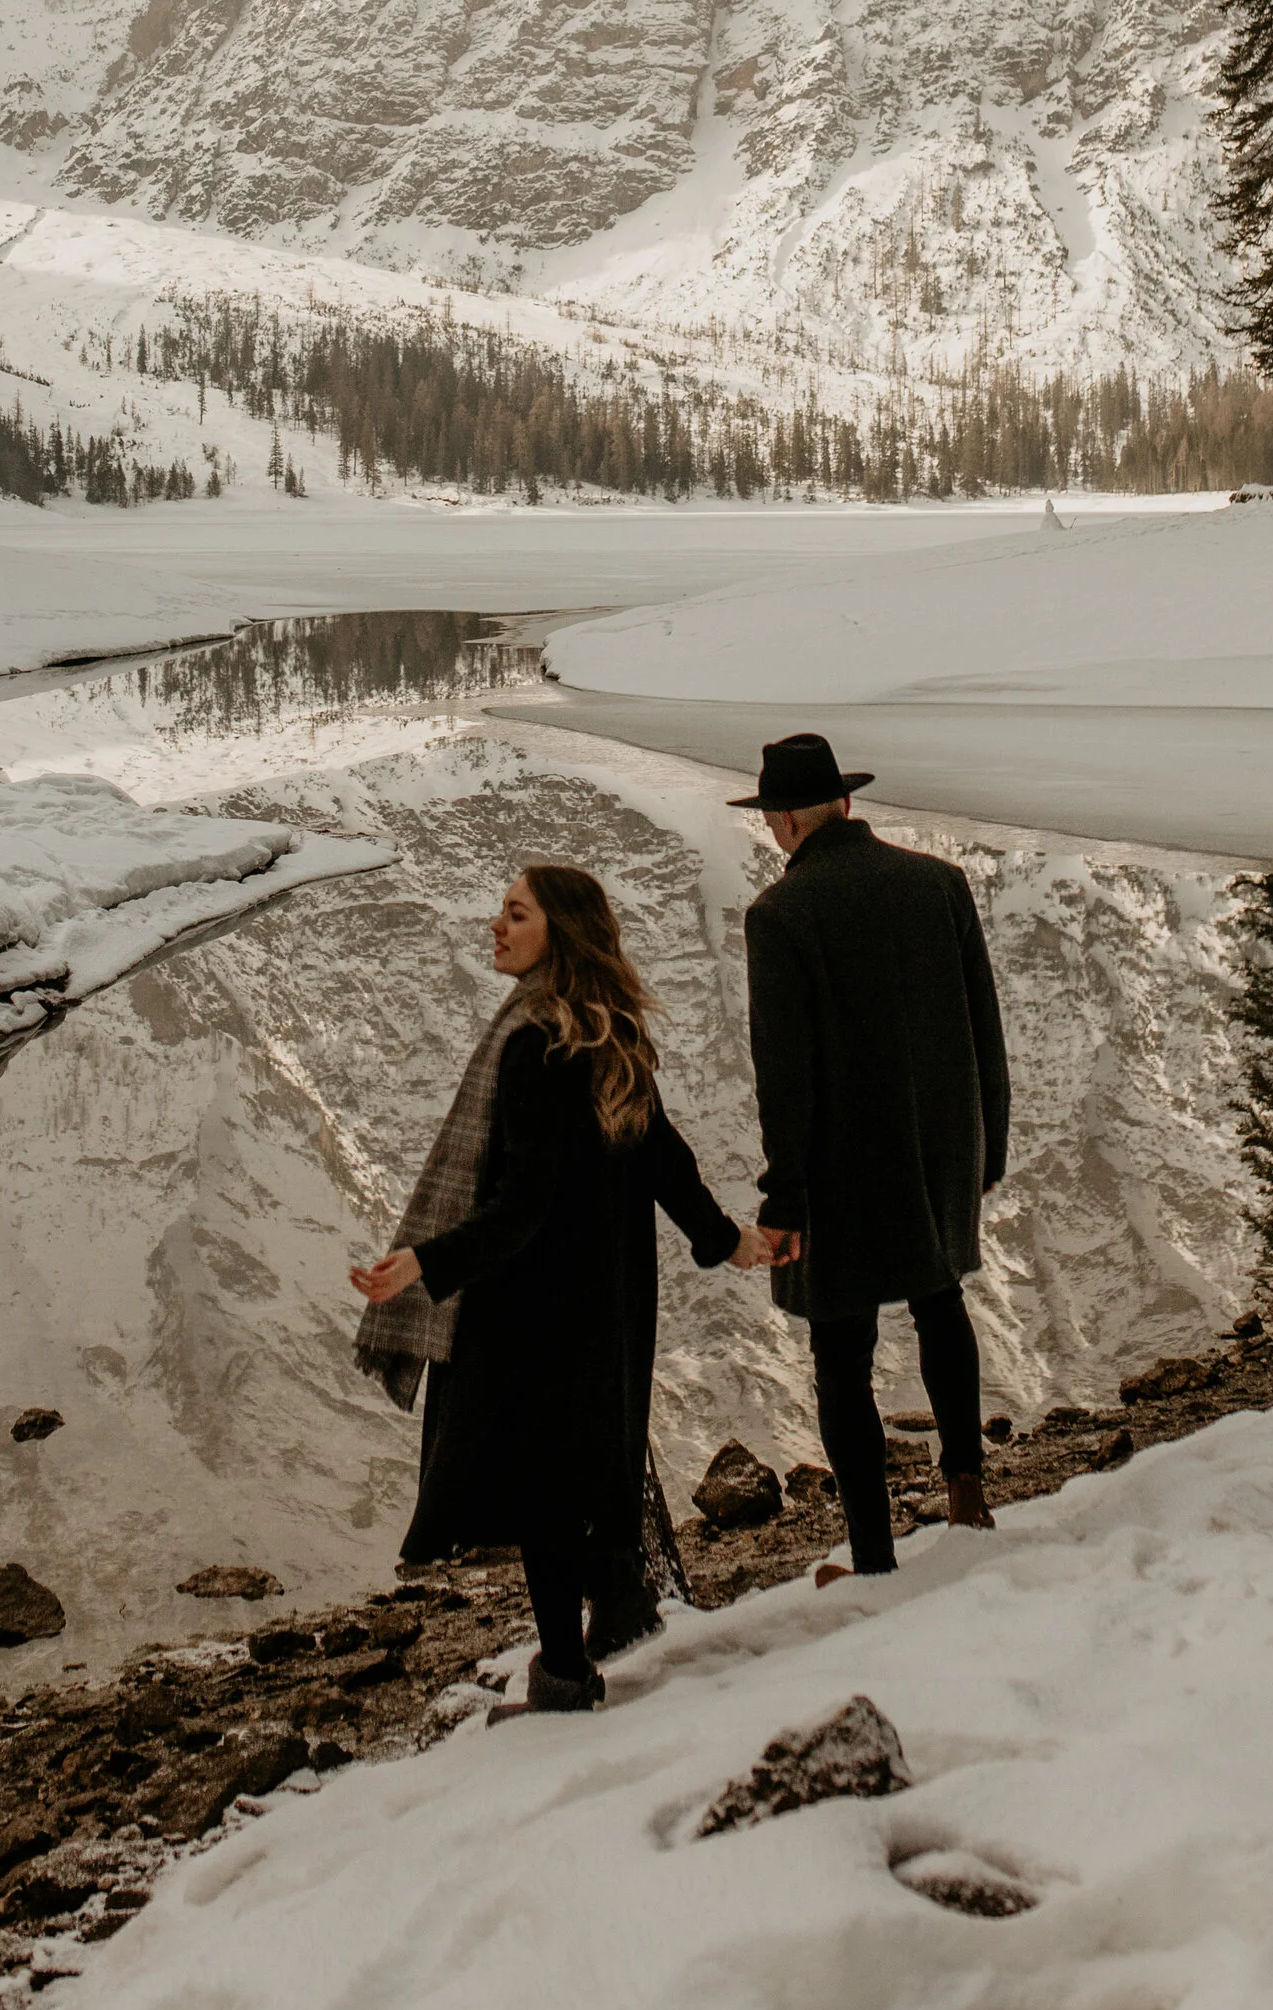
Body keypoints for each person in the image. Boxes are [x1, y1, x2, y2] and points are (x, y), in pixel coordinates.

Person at [350, 862, 771, 1713]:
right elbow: (663, 1158)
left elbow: (522, 1203)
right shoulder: (606, 1032)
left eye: (515, 915)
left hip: (530, 1308)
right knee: (575, 1480)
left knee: (539, 1492)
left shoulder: (534, 1043)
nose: (495, 928)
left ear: (561, 934)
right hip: (604, 1302)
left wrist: (426, 1263)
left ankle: (567, 1679)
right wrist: (727, 1242)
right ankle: (608, 1621)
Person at [737, 731, 1010, 1582]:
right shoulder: (941, 885)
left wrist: (783, 1201)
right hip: (940, 1153)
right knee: (940, 1304)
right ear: (845, 804)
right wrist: (987, 1151)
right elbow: (985, 1032)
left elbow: (785, 1078)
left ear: (784, 821)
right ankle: (967, 1493)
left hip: (842, 1171)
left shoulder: (780, 916)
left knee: (841, 1356)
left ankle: (873, 1557)